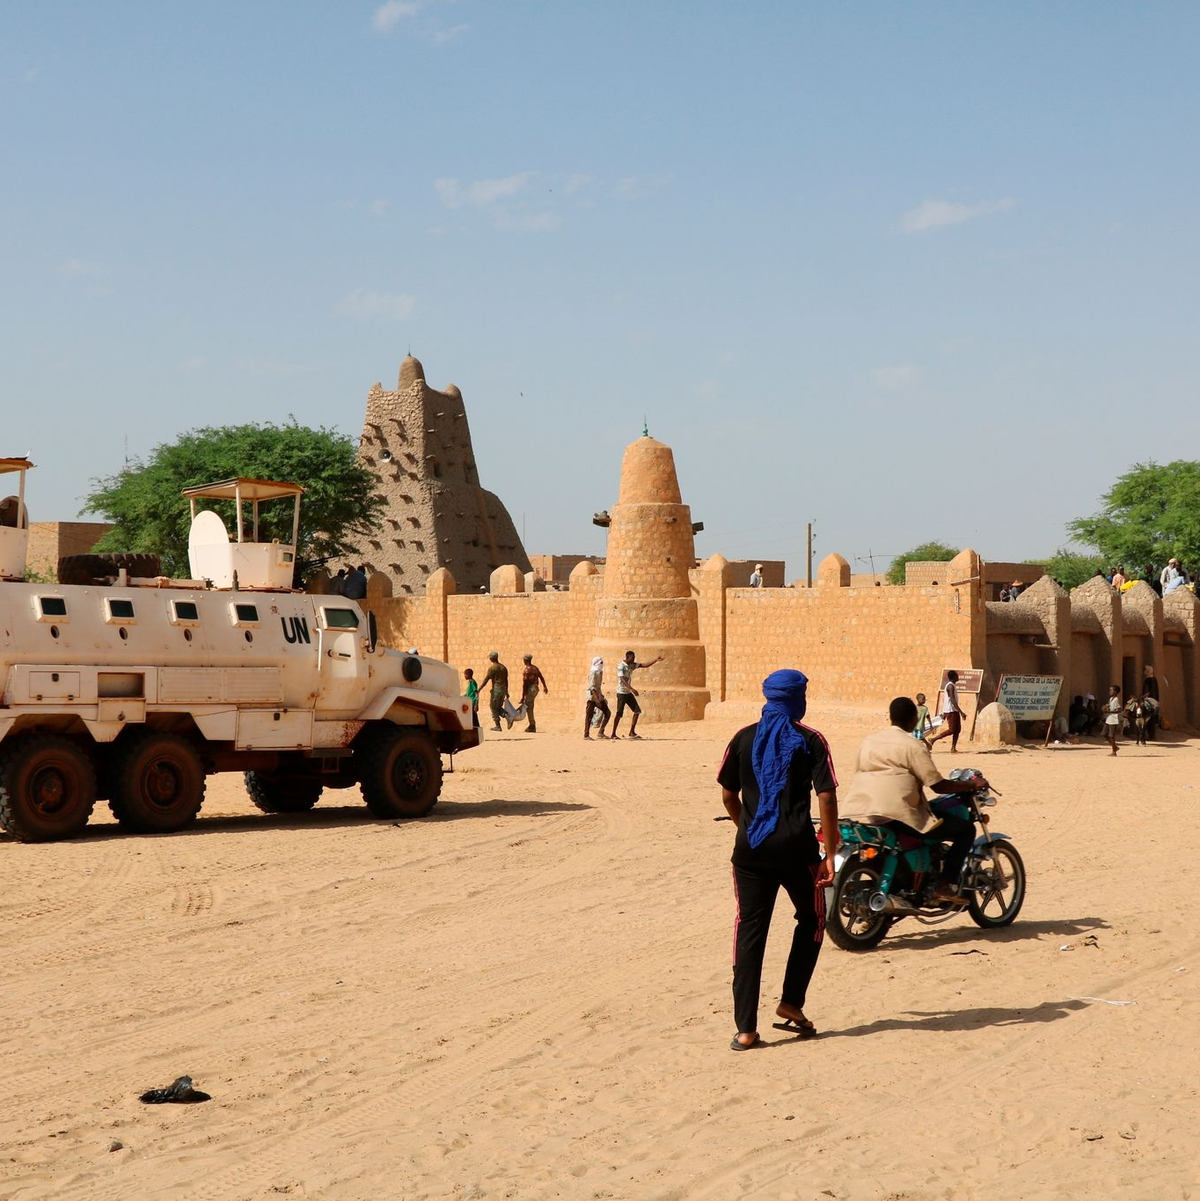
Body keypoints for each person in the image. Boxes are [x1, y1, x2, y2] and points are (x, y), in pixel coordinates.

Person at [717, 669, 839, 1052]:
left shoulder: (742, 738)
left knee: (750, 931)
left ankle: (745, 1030)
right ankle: (790, 1001)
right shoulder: (811, 740)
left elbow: (728, 795)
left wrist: (750, 826)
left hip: (750, 852)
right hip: (798, 850)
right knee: (813, 918)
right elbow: (827, 796)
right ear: (797, 699)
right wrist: (830, 853)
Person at [840, 696, 991, 906]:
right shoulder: (913, 745)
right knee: (966, 830)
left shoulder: (869, 741)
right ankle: (944, 884)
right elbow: (937, 785)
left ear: (891, 717)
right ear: (913, 720)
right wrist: (969, 785)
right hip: (897, 814)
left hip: (859, 810)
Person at [610, 650, 664, 739]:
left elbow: (644, 665)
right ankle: (613, 734)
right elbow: (622, 679)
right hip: (621, 693)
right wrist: (631, 689)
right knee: (619, 713)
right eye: (632, 657)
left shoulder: (632, 665)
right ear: (628, 657)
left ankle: (632, 732)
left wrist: (655, 660)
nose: (634, 659)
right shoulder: (621, 666)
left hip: (628, 693)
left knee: (637, 711)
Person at [925, 670, 964, 752]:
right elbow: (952, 700)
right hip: (951, 710)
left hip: (954, 710)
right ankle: (933, 739)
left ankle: (953, 748)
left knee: (957, 730)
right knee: (952, 730)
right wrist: (961, 712)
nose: (958, 677)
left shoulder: (952, 685)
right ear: (954, 677)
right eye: (957, 676)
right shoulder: (950, 686)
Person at [482, 651, 511, 733]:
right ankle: (507, 716)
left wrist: (479, 689)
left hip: (496, 690)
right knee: (498, 707)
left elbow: (486, 679)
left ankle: (498, 725)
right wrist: (506, 691)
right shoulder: (503, 668)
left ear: (492, 658)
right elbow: (506, 681)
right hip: (503, 689)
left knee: (493, 706)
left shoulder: (492, 668)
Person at [583, 656, 610, 739]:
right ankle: (586, 735)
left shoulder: (599, 672)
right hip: (592, 697)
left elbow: (598, 686)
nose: (602, 664)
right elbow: (592, 687)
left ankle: (601, 732)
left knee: (607, 713)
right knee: (589, 716)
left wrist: (600, 696)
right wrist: (596, 699)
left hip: (598, 696)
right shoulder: (593, 673)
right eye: (601, 663)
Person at [520, 653, 549, 733]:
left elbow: (525, 685)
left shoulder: (526, 670)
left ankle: (532, 725)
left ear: (526, 660)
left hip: (530, 689)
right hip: (536, 688)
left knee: (528, 707)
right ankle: (532, 724)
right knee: (530, 705)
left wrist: (523, 696)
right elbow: (541, 677)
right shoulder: (535, 668)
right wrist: (545, 686)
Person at [1142, 665, 1160, 740]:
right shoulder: (1154, 679)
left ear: (1148, 671)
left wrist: (1142, 697)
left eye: (1145, 670)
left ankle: (1149, 736)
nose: (1144, 672)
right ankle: (1152, 735)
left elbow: (1148, 692)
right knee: (1152, 718)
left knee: (1147, 718)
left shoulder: (1148, 680)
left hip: (1149, 701)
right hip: (1154, 701)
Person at [1104, 684, 1121, 755]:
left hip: (1113, 719)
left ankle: (1114, 751)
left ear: (1115, 692)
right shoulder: (1111, 699)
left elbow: (1119, 709)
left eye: (1111, 690)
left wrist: (1109, 711)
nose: (1110, 691)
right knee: (1104, 733)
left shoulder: (1116, 700)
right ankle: (1115, 747)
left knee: (1111, 735)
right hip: (1109, 718)